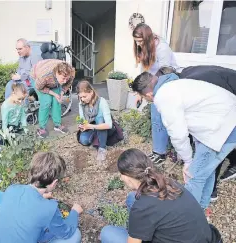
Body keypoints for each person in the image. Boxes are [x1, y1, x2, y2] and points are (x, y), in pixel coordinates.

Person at [131, 71, 236, 210]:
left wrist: (187, 161)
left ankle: (188, 220)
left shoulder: (164, 97)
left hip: (223, 128)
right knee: (206, 171)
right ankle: (201, 208)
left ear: (149, 95)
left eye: (144, 97)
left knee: (193, 176)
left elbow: (178, 134)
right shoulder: (174, 84)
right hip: (226, 120)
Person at [100, 148, 221, 243]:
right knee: (132, 197)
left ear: (126, 177)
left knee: (107, 233)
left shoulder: (142, 207)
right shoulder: (169, 183)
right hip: (203, 238)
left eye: (121, 174)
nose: (120, 178)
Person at [0, 151, 82, 243]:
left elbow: (22, 209)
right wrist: (75, 212)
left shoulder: (12, 189)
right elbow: (66, 233)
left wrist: (42, 197)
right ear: (54, 183)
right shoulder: (49, 209)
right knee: (75, 235)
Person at [132, 23, 179, 164]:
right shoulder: (144, 48)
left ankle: (165, 152)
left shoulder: (162, 48)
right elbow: (144, 71)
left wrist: (149, 88)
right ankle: (158, 151)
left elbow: (166, 70)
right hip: (152, 84)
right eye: (136, 41)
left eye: (140, 41)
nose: (137, 44)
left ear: (147, 38)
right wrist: (140, 93)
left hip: (167, 81)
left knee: (162, 117)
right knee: (155, 117)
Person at [30, 59, 75, 138]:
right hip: (37, 77)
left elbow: (68, 84)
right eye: (63, 79)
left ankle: (57, 125)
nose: (64, 81)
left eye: (66, 79)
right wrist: (53, 93)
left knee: (57, 100)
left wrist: (61, 93)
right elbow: (39, 87)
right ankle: (42, 128)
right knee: (47, 101)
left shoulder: (70, 73)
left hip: (52, 78)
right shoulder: (44, 76)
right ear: (57, 73)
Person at [77, 80, 120, 161]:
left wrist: (90, 126)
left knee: (100, 119)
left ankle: (102, 148)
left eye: (84, 96)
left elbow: (109, 125)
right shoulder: (81, 104)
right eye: (80, 97)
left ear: (91, 92)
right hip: (92, 127)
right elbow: (82, 119)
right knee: (84, 141)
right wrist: (82, 125)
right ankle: (98, 137)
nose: (82, 99)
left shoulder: (102, 102)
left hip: (106, 127)